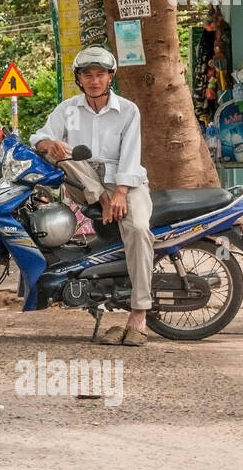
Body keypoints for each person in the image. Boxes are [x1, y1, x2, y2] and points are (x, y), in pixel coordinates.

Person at [29, 46, 154, 346]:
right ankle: (102, 199)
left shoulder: (128, 110)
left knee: (137, 229)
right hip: (85, 182)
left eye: (100, 74)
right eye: (88, 75)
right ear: (80, 79)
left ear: (110, 77)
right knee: (60, 151)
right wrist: (49, 143)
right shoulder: (67, 109)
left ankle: (139, 312)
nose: (94, 80)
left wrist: (121, 192)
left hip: (124, 182)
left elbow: (130, 156)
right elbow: (39, 136)